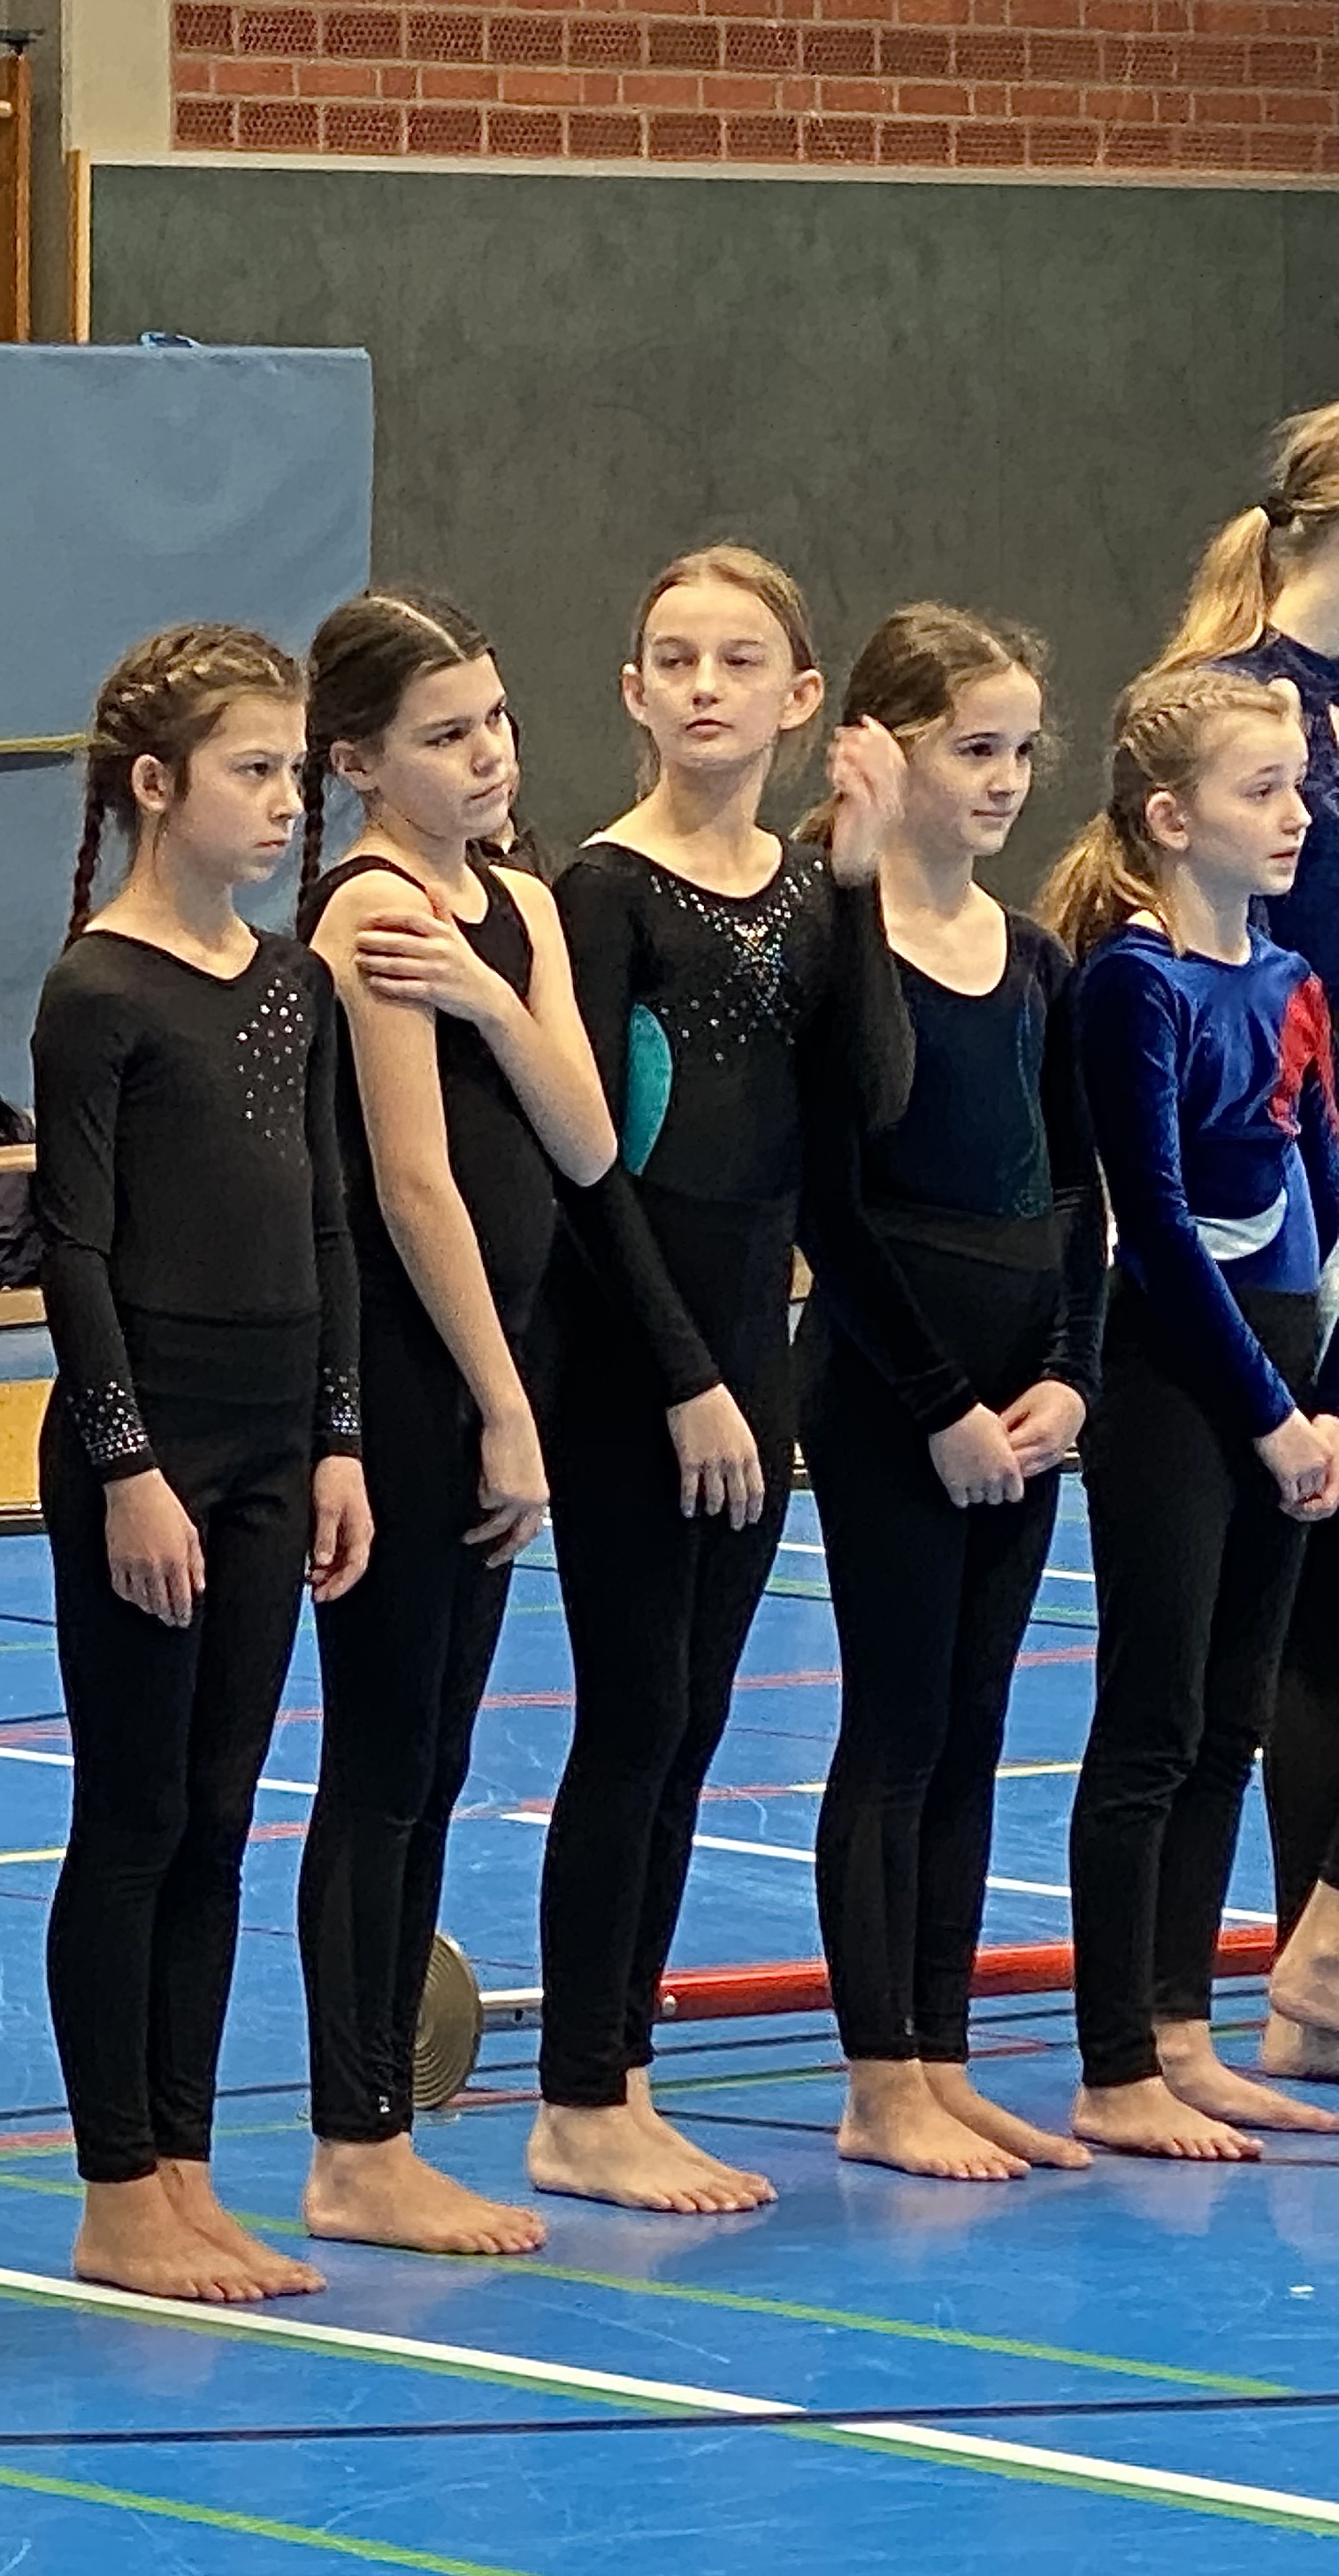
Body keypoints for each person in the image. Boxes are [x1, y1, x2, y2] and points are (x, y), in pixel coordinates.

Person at [529, 545, 904, 2214]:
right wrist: (686, 1376)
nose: (703, 686)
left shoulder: (811, 895)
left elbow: (866, 1109)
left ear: (800, 699)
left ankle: (625, 2071)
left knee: (692, 1719)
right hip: (632, 1355)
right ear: (631, 691)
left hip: (751, 1347)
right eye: (672, 658)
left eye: (739, 661)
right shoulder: (602, 891)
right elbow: (589, 1166)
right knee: (630, 1716)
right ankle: (577, 2096)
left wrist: (868, 885)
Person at [33, 625, 372, 2304]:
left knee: (223, 1815)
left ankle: (184, 2167)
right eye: (254, 771)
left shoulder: (294, 981)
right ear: (157, 786)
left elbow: (329, 1221)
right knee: (137, 1812)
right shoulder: (98, 989)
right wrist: (126, 1466)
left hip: (270, 1444)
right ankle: (113, 2190)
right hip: (151, 1444)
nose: (286, 801)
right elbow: (74, 1248)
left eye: (295, 772)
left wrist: (339, 1441)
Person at [290, 592, 614, 2257]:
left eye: (494, 720)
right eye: (443, 736)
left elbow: (586, 1141)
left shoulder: (516, 907)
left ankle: (387, 2124)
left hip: (502, 1362)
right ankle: (353, 2142)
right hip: (417, 1377)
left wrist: (494, 1000)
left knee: (435, 1756)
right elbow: (413, 1187)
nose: (488, 756)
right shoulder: (367, 908)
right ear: (355, 762)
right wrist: (501, 1406)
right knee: (383, 1756)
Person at [790, 607, 1105, 2179]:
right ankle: (876, 2078)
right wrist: (936, 1404)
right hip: (889, 1391)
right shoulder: (834, 945)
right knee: (900, 1722)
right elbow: (832, 1204)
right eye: (974, 748)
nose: (1005, 781)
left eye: (1022, 752)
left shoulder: (1033, 957)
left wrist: (1069, 1381)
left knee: (977, 1725)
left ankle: (940, 2049)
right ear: (881, 749)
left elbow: (1082, 1195)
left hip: (1019, 1396)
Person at [1046, 665, 1339, 2158]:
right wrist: (1274, 1413)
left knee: (1233, 1715)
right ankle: (1113, 2061)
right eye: (1262, 791)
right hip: (1174, 1372)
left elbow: (1326, 1195)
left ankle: (1181, 2032)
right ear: (1171, 819)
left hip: (1286, 1366)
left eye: (1301, 788)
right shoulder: (1134, 983)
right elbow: (1154, 1222)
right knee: (1152, 1716)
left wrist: (1325, 1401)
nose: (1297, 816)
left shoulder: (1289, 979)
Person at [1153, 406, 1339, 2080]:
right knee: (1300, 1604)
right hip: (1284, 1218)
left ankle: (1318, 1953)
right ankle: (1310, 1961)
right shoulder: (1258, 713)